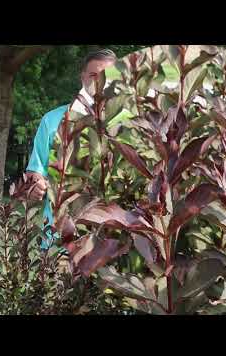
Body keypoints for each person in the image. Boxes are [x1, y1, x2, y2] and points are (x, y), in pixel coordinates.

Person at [24, 49, 132, 254]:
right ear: (82, 77)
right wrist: (35, 184)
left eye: (107, 77)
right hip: (57, 242)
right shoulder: (52, 120)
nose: (100, 82)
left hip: (111, 243)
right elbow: (34, 173)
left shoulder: (130, 123)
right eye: (93, 75)